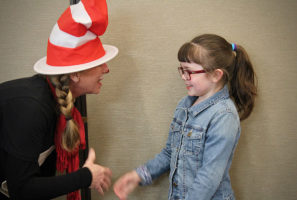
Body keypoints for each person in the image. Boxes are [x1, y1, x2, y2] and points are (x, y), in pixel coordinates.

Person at [113, 33, 257, 200]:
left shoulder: (224, 116)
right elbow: (169, 153)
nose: (183, 76)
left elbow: (209, 177)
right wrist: (139, 175)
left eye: (189, 72)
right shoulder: (184, 105)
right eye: (182, 70)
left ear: (216, 75)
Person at [0, 0, 118, 199]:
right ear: (75, 75)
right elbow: (21, 189)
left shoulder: (62, 102)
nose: (106, 69)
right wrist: (86, 177)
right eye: (98, 63)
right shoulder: (32, 108)